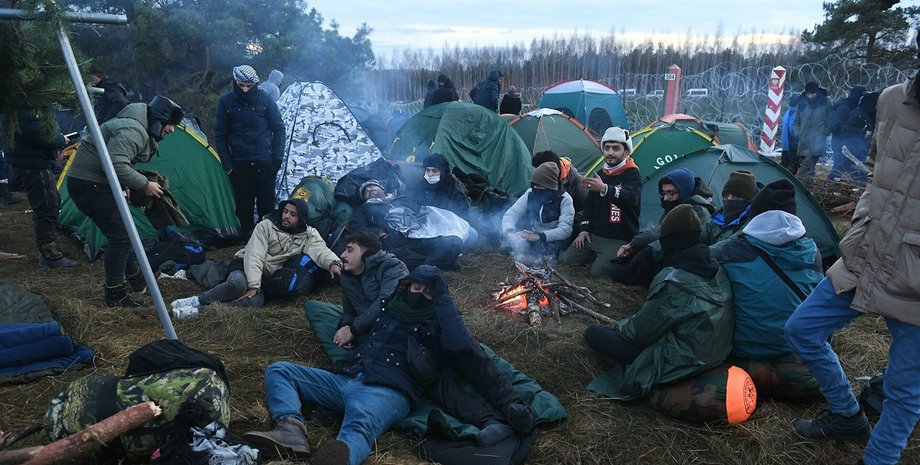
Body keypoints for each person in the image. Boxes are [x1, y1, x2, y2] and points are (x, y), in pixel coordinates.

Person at [244, 265, 533, 464]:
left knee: (358, 428)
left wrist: (443, 301)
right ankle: (290, 427)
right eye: (415, 286)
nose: (418, 293)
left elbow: (468, 352)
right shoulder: (391, 309)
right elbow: (359, 312)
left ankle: (339, 457)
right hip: (348, 377)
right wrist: (350, 328)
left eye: (427, 291)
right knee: (280, 370)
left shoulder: (440, 324)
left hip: (389, 391)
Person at [784, 66, 920, 465]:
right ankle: (847, 415)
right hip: (868, 251)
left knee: (905, 388)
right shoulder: (892, 99)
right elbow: (879, 166)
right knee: (801, 329)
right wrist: (866, 218)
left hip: (916, 275)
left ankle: (879, 458)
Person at [583, 204, 733, 399]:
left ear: (670, 242)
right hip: (715, 351)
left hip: (683, 359)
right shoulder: (715, 268)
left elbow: (638, 332)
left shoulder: (674, 281)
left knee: (594, 333)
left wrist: (618, 326)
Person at [66, 95, 184, 307]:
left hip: (93, 183)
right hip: (89, 185)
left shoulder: (136, 126)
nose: (171, 130)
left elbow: (116, 162)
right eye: (170, 125)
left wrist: (125, 186)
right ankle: (114, 294)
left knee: (124, 232)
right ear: (158, 119)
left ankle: (137, 280)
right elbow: (115, 165)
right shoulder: (134, 131)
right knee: (120, 236)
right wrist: (144, 184)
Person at [713, 180, 823, 401]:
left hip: (745, 351)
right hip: (794, 350)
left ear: (755, 217)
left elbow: (696, 260)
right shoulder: (813, 252)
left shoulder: (731, 251)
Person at [170, 199, 342, 312]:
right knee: (237, 284)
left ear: (301, 218)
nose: (286, 216)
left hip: (267, 278)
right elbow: (254, 255)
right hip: (245, 266)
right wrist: (253, 286)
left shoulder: (308, 234)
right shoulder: (266, 226)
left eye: (292, 214)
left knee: (255, 303)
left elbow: (320, 249)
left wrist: (333, 263)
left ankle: (197, 311)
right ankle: (197, 300)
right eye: (285, 211)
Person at [214, 65, 286, 240]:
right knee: (243, 207)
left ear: (255, 84)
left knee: (266, 206)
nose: (245, 89)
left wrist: (276, 159)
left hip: (264, 162)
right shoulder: (226, 102)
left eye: (248, 85)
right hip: (239, 165)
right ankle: (248, 242)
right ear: (234, 82)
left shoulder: (265, 99)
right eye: (241, 85)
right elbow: (219, 134)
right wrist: (228, 164)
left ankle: (268, 241)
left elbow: (279, 129)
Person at [560, 127, 641, 276]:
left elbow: (630, 198)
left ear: (626, 152)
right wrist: (584, 230)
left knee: (597, 273)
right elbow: (589, 206)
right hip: (594, 234)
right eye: (607, 148)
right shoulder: (602, 173)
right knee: (565, 260)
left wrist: (605, 189)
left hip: (618, 237)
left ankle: (604, 258)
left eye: (616, 148)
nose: (610, 152)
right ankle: (592, 255)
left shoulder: (632, 174)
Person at [6, 112, 77, 267]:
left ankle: (51, 248)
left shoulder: (24, 106)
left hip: (33, 161)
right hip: (32, 164)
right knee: (46, 206)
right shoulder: (22, 108)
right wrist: (59, 139)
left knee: (52, 202)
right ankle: (50, 255)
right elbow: (39, 133)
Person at [349, 180, 464, 271]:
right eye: (365, 192)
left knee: (454, 241)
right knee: (398, 256)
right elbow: (356, 228)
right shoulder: (363, 210)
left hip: (423, 236)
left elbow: (424, 211)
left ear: (381, 187)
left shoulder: (403, 198)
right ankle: (443, 263)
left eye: (371, 186)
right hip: (397, 242)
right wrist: (379, 232)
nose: (369, 190)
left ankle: (435, 262)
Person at [327, 233, 408, 355]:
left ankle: (342, 358)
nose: (343, 255)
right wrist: (346, 325)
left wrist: (353, 330)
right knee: (313, 307)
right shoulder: (347, 275)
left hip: (390, 325)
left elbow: (384, 303)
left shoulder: (393, 267)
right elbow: (349, 310)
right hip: (363, 323)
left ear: (365, 254)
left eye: (350, 250)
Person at [617, 167, 715, 260]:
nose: (666, 198)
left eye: (671, 193)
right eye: (663, 193)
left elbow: (662, 232)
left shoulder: (698, 210)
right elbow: (659, 229)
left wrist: (633, 245)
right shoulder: (677, 204)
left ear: (684, 190)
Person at [501, 162, 574, 264]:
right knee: (509, 245)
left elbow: (566, 230)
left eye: (539, 185)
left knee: (545, 251)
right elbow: (511, 214)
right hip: (533, 234)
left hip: (553, 238)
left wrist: (540, 236)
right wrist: (510, 232)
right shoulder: (530, 193)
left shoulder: (565, 199)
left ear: (550, 186)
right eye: (534, 184)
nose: (535, 188)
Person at [831, 92, 879, 184]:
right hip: (843, 148)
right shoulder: (857, 114)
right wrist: (864, 133)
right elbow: (845, 129)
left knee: (856, 174)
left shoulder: (865, 115)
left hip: (853, 150)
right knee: (837, 171)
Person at [702, 169, 757, 245]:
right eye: (726, 196)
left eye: (735, 196)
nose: (729, 200)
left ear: (748, 199)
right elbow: (701, 234)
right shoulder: (719, 217)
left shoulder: (752, 222)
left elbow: (729, 246)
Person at [412, 153, 471, 219]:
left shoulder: (455, 188)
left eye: (434, 171)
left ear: (443, 172)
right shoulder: (423, 183)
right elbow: (413, 200)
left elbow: (462, 214)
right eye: (428, 170)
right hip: (424, 221)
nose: (430, 174)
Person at [793, 81, 830, 186]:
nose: (810, 96)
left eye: (812, 93)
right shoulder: (801, 103)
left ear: (817, 92)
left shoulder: (825, 103)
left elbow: (830, 119)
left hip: (817, 142)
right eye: (808, 93)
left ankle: (797, 186)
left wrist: (825, 132)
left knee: (805, 167)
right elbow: (796, 121)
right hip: (803, 139)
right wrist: (798, 133)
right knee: (808, 167)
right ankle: (808, 188)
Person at [828, 86, 867, 181]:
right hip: (841, 144)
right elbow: (837, 127)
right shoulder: (845, 107)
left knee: (849, 168)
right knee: (838, 167)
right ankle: (830, 185)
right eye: (863, 95)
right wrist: (859, 133)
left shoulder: (853, 106)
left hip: (848, 144)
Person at [781, 92, 800, 174]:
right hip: (792, 144)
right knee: (794, 164)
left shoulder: (787, 111)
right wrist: (799, 137)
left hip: (785, 144)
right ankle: (790, 181)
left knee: (784, 164)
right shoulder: (794, 113)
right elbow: (792, 130)